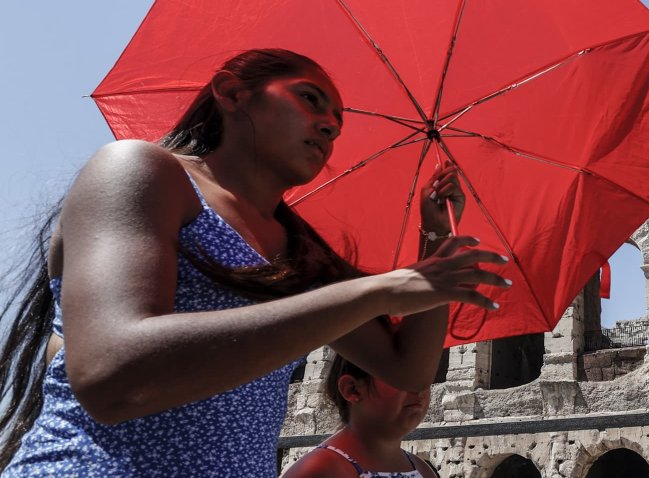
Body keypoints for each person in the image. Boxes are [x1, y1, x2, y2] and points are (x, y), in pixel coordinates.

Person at [0, 49, 509, 476]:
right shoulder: (140, 170)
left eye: (337, 123)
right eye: (310, 99)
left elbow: (407, 367)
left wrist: (436, 239)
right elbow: (112, 375)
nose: (330, 125)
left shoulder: (297, 249)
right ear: (232, 92)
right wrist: (375, 292)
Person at [281, 352, 438, 478]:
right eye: (402, 378)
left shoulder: (422, 469)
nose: (419, 389)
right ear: (352, 389)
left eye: (424, 378)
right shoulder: (320, 470)